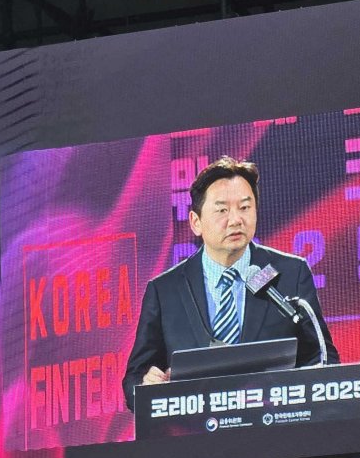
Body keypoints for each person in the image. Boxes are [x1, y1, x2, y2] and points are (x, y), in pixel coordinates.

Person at [122, 156, 339, 409]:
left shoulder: (290, 273)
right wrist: (146, 386)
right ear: (196, 222)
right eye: (222, 210)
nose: (236, 220)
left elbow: (323, 357)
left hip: (276, 421)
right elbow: (135, 378)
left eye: (245, 207)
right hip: (196, 427)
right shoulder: (165, 291)